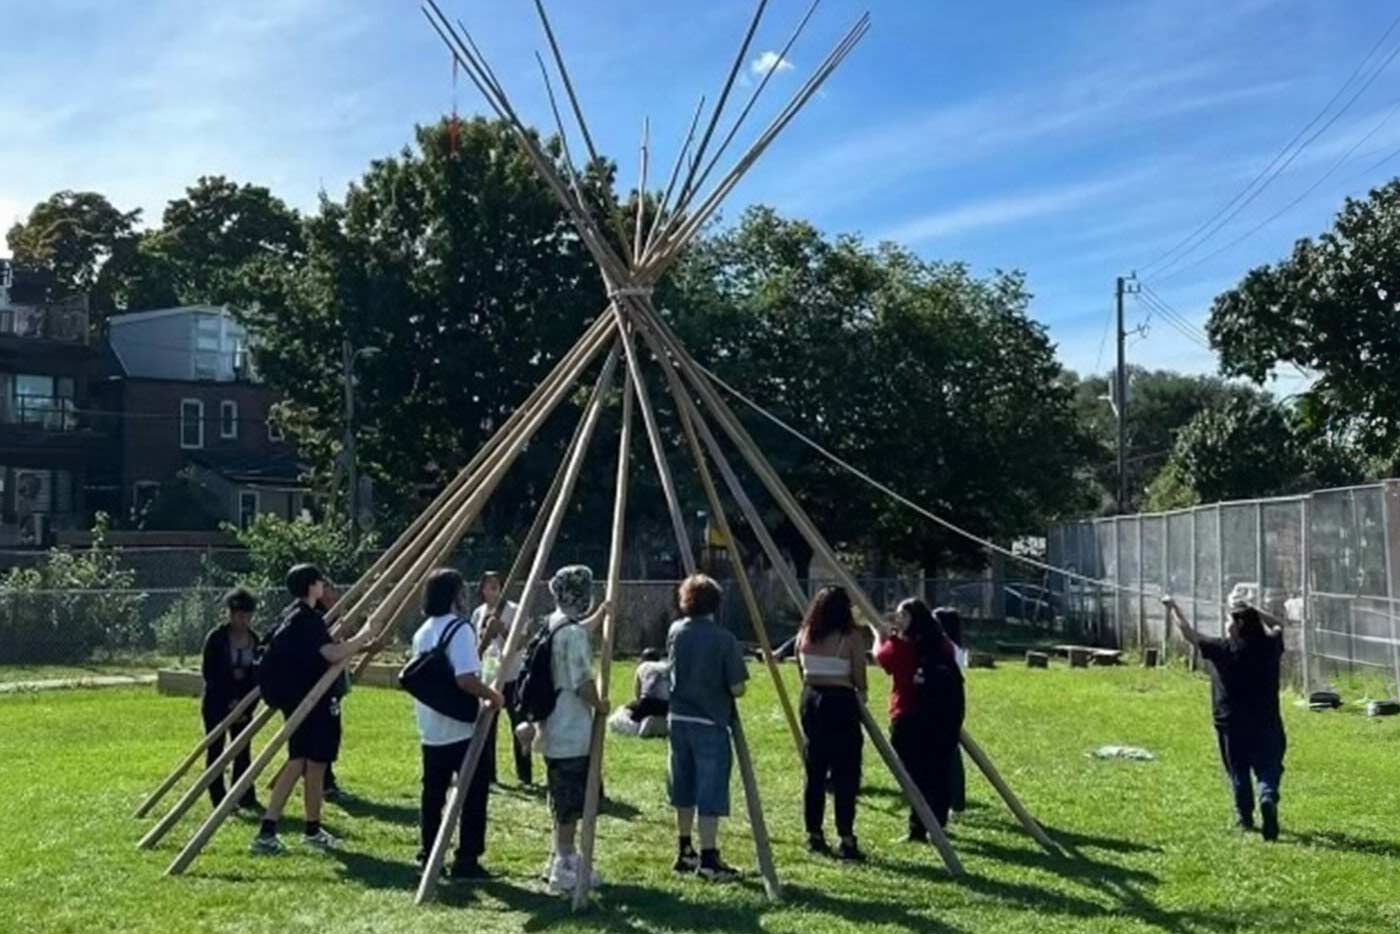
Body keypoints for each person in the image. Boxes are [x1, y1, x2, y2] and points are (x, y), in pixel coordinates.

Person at [251, 564, 373, 854]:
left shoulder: (295, 615)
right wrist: (364, 636)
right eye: (320, 582)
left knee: (315, 765)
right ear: (311, 586)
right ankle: (267, 832)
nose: (324, 586)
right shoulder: (306, 620)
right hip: (307, 701)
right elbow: (330, 653)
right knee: (298, 763)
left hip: (306, 700)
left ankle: (312, 828)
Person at [1164, 586, 1287, 841]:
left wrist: (1172, 607)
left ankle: (1245, 817)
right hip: (1266, 721)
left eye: (1230, 620)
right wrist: (1253, 611)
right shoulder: (1269, 646)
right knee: (1269, 765)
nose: (1226, 623)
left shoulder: (1223, 649)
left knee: (1238, 769)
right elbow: (1278, 625)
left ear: (1237, 627)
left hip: (1231, 723)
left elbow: (1188, 634)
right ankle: (1267, 795)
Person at [412, 568, 506, 879]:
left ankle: (428, 851)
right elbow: (465, 678)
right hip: (460, 726)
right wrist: (493, 695)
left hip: (431, 725)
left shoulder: (424, 630)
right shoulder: (460, 629)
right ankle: (466, 858)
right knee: (473, 792)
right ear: (455, 596)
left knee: (433, 793)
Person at [523, 565, 610, 895]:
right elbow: (582, 682)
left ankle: (564, 857)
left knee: (560, 794)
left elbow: (576, 632)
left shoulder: (552, 624)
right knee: (571, 800)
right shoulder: (571, 634)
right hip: (571, 728)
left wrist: (600, 616)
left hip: (552, 726)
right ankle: (564, 865)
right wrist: (600, 704)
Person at [666, 575, 749, 881]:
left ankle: (685, 850)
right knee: (710, 791)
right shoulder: (723, 639)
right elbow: (737, 687)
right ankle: (710, 859)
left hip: (678, 718)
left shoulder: (676, 631)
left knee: (683, 786)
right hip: (709, 721)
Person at [876, 598, 965, 836]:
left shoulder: (905, 645)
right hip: (939, 717)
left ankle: (922, 824)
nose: (899, 621)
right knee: (935, 771)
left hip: (909, 714)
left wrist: (880, 636)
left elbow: (882, 658)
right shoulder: (941, 642)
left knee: (915, 776)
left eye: (903, 616)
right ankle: (933, 821)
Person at [797, 585, 868, 861]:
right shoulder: (850, 637)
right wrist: (861, 692)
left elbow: (801, 670)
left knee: (814, 769)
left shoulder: (805, 634)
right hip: (840, 701)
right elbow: (859, 675)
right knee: (845, 772)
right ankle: (846, 837)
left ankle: (814, 833)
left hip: (811, 698)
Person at [200, 586, 264, 811]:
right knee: (216, 749)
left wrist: (245, 706)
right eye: (238, 614)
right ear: (229, 613)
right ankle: (218, 797)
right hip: (217, 703)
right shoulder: (216, 638)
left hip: (245, 705)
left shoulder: (255, 640)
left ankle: (244, 794)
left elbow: (257, 678)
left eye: (247, 615)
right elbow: (210, 673)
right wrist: (229, 702)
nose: (242, 619)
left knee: (242, 750)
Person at [472, 571, 532, 786]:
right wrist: (488, 633)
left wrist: (503, 631)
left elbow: (521, 642)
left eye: (496, 585)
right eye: (488, 585)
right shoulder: (478, 613)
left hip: (512, 674)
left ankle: (525, 774)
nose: (492, 589)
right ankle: (489, 774)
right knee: (487, 727)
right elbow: (477, 645)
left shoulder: (514, 610)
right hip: (490, 676)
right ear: (482, 589)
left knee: (520, 725)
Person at [934, 606, 968, 817]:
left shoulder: (950, 648)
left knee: (949, 755)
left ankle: (955, 802)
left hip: (946, 702)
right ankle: (953, 801)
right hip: (949, 701)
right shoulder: (952, 647)